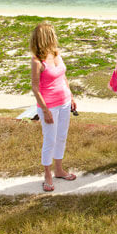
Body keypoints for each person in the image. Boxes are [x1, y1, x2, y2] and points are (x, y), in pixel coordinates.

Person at [30, 23, 77, 192]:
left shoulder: (56, 53)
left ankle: (59, 169)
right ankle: (47, 174)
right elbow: (35, 88)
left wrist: (70, 96)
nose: (55, 37)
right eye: (52, 34)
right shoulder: (37, 61)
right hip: (49, 106)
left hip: (64, 102)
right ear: (46, 38)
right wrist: (45, 110)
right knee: (50, 139)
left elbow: (63, 77)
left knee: (62, 136)